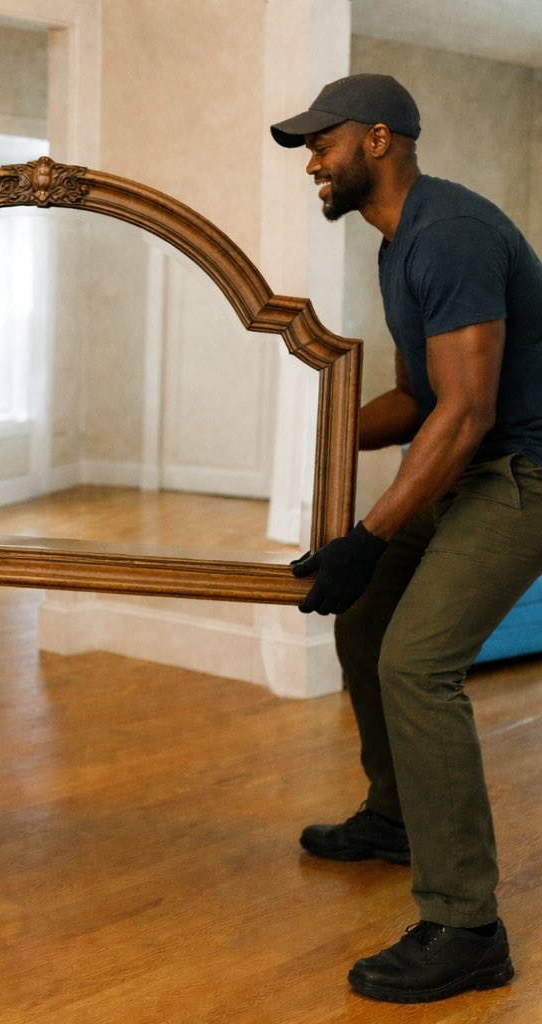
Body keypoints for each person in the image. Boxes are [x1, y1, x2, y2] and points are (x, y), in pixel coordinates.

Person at [270, 72, 542, 1003]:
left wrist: (368, 534)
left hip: (522, 473)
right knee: (365, 623)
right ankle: (393, 817)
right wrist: (322, 435)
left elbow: (465, 415)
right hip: (472, 463)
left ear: (378, 140)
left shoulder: (451, 233)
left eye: (323, 143)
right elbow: (418, 400)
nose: (313, 161)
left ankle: (467, 928)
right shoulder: (399, 246)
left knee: (417, 665)